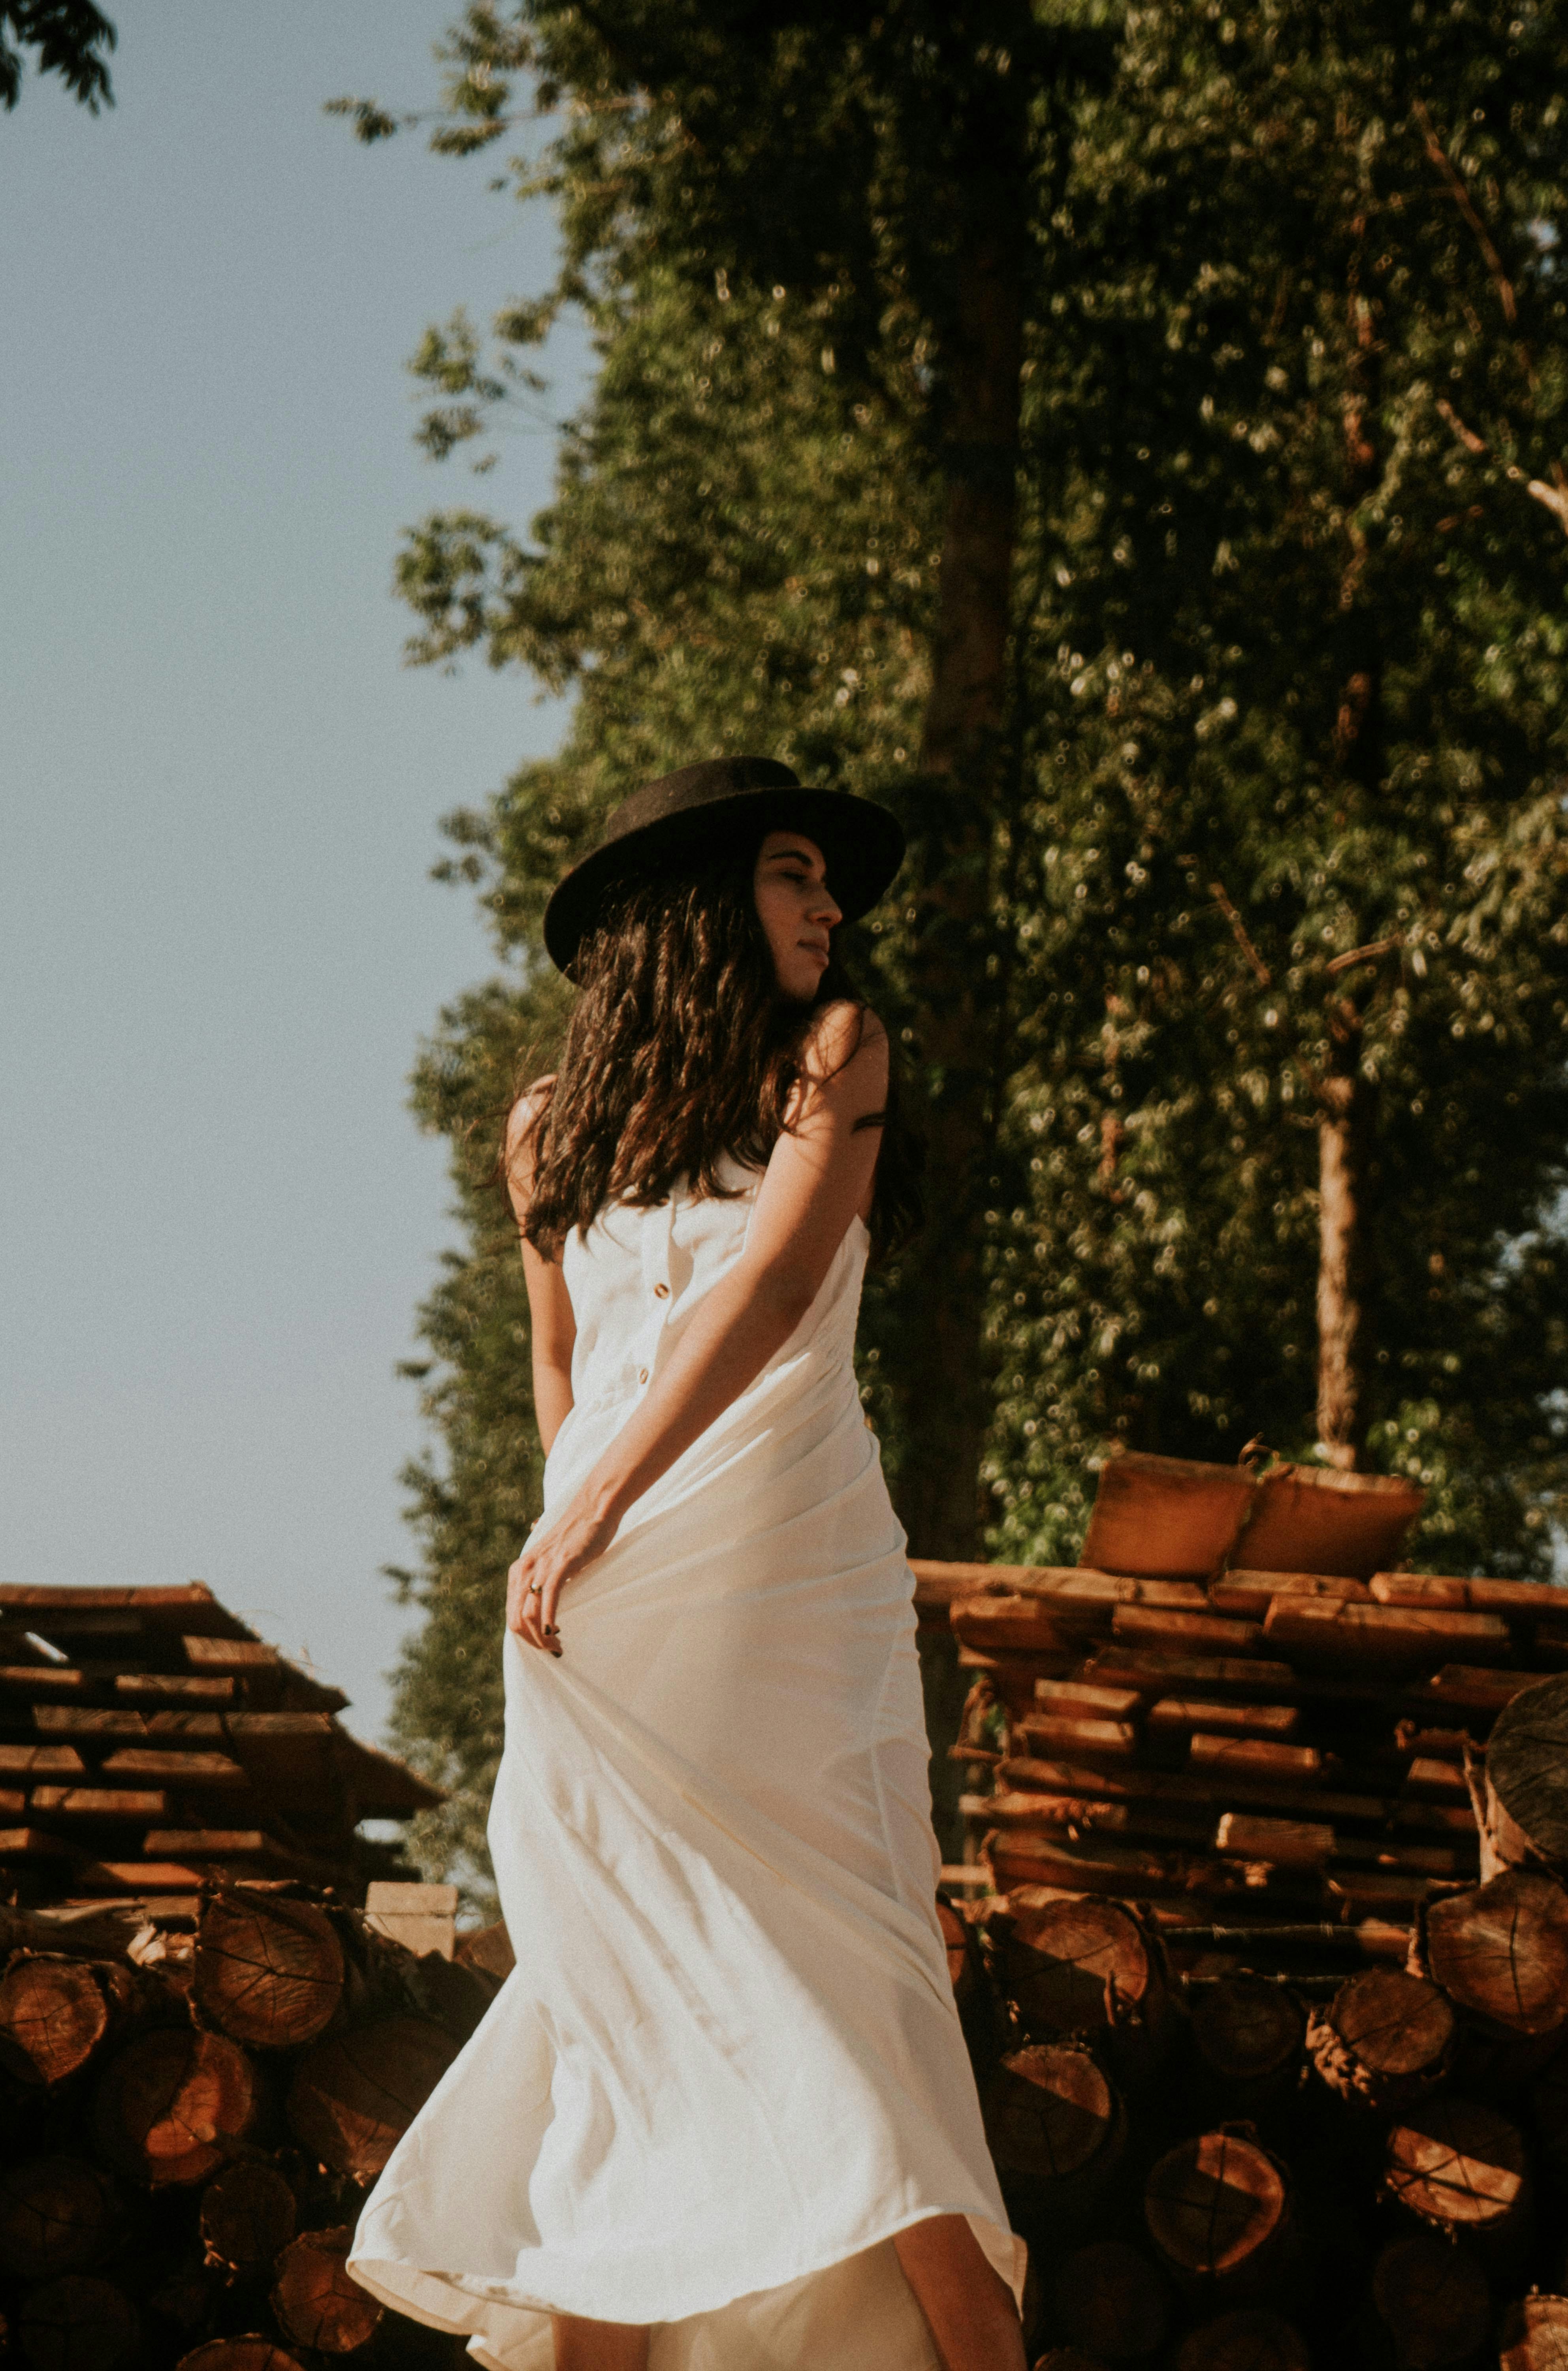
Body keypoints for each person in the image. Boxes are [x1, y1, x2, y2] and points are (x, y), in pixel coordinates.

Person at [348, 757, 1025, 2371]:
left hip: (786, 1573)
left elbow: (774, 1291)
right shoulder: (544, 1134)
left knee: (838, 1987)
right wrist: (564, 1538)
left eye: (823, 881)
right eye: (794, 874)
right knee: (615, 1996)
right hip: (594, 1608)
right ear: (696, 907)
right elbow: (559, 1368)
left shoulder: (835, 1055)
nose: (829, 907)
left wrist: (596, 1507)